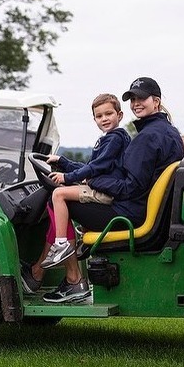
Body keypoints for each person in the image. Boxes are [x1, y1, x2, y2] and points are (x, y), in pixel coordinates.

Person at [21, 77, 184, 303]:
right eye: (133, 99)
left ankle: (71, 280)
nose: (136, 103)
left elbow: (128, 188)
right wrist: (73, 168)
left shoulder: (147, 138)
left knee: (58, 200)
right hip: (141, 209)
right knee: (62, 199)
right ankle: (53, 273)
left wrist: (90, 181)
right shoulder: (168, 132)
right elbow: (113, 172)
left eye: (142, 98)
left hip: (129, 214)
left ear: (156, 101)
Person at [38, 93, 131, 270]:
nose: (104, 119)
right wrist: (62, 162)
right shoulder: (110, 139)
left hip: (106, 192)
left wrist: (67, 177)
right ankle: (78, 238)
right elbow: (91, 166)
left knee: (58, 194)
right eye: (99, 116)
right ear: (94, 119)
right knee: (66, 191)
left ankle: (61, 244)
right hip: (103, 187)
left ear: (119, 115)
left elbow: (95, 167)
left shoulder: (115, 139)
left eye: (108, 114)